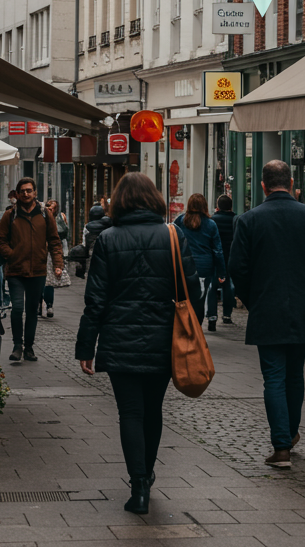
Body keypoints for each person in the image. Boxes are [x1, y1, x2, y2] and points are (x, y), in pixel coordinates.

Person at [75, 173, 201, 515]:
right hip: (164, 340)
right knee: (153, 409)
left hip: (120, 340)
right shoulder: (174, 237)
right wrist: (193, 331)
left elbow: (95, 300)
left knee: (130, 412)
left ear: (120, 201)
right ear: (154, 199)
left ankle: (139, 484)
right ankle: (147, 474)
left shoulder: (108, 239)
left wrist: (86, 347)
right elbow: (193, 292)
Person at [228, 160, 305, 470]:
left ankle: (281, 447)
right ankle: (290, 433)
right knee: (295, 375)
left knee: (274, 378)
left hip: (267, 308)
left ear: (263, 186)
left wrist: (252, 298)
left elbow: (236, 266)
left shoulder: (249, 220)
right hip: (303, 307)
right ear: (291, 184)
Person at [0, 177, 63, 363]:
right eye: (22, 191)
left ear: (35, 193)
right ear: (17, 194)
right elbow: (0, 239)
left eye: (29, 190)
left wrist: (58, 264)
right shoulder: (10, 215)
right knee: (17, 308)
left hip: (37, 270)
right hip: (16, 270)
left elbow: (54, 241)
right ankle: (18, 346)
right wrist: (11, 254)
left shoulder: (44, 214)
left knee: (32, 310)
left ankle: (29, 348)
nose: (25, 193)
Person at [173, 193, 225, 331]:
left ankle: (184, 327)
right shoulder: (210, 224)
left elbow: (172, 240)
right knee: (200, 300)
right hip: (204, 266)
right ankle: (196, 329)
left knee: (183, 297)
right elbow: (217, 251)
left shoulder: (180, 221)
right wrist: (221, 272)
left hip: (184, 265)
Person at [40, 199, 69, 319]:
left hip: (52, 252)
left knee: (49, 282)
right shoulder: (41, 218)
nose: (50, 210)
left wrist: (59, 264)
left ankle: (49, 304)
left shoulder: (60, 217)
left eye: (52, 209)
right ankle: (40, 303)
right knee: (41, 281)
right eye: (48, 208)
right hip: (42, 252)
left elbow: (64, 233)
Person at [212, 195, 237, 324]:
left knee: (213, 286)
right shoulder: (236, 220)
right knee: (228, 286)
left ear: (218, 206)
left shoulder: (213, 220)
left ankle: (212, 314)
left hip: (215, 257)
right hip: (230, 257)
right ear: (231, 206)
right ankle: (227, 314)